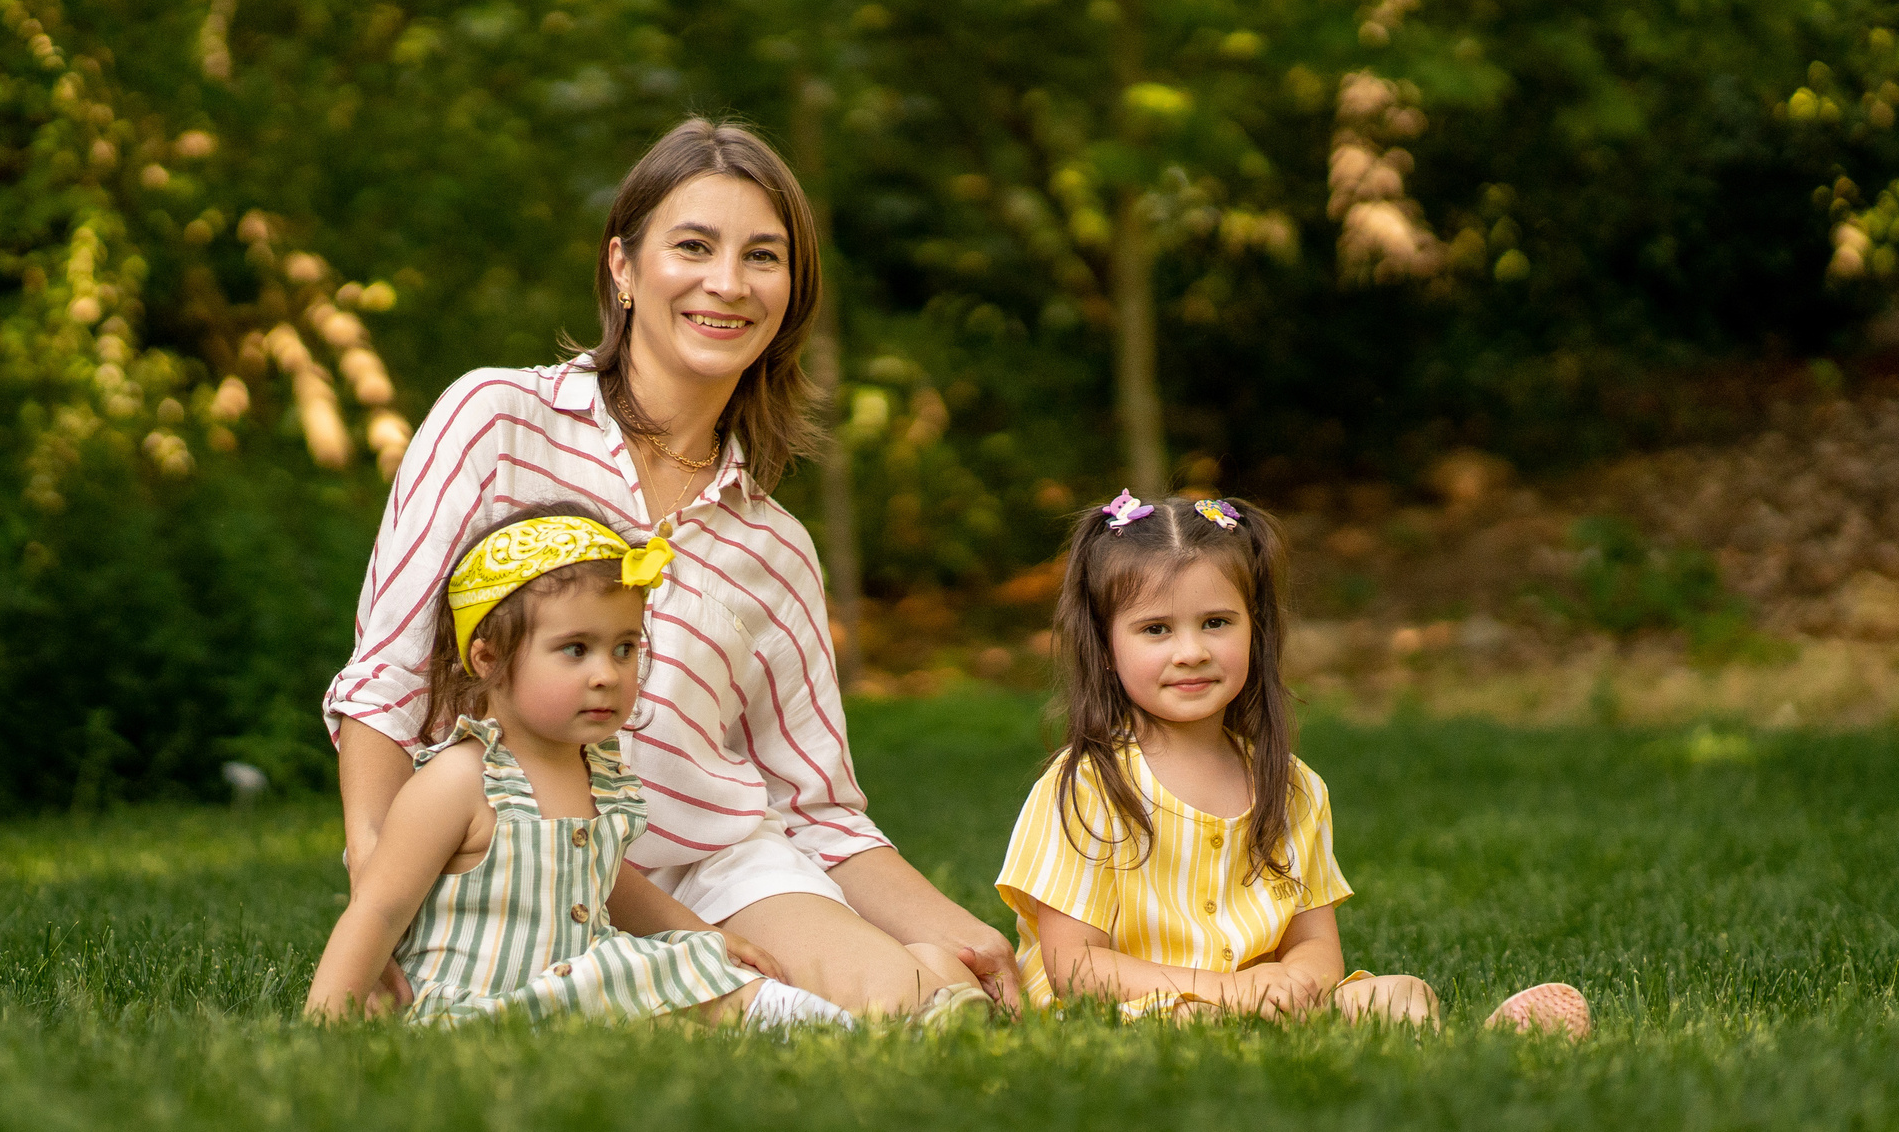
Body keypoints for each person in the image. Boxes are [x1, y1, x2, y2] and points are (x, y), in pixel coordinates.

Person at [325, 118, 1007, 1020]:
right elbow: (386, 680)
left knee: (902, 1000)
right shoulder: (493, 420)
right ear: (623, 265)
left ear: (792, 291)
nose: (728, 282)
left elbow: (820, 810)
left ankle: (921, 971)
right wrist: (379, 887)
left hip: (715, 868)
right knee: (743, 1019)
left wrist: (962, 928)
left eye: (762, 256)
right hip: (511, 856)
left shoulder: (774, 547)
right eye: (694, 246)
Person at [996, 490, 1591, 1035]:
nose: (1192, 651)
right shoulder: (1086, 787)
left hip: (1260, 999)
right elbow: (1077, 968)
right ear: (1105, 646)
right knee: (1190, 1023)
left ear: (1255, 629)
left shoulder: (1292, 787)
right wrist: (1227, 991)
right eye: (1156, 629)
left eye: (1216, 623)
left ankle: (1483, 1045)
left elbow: (1316, 946)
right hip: (1131, 1006)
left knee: (1401, 993)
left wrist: (1293, 983)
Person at [305, 507, 853, 1029]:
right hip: (484, 1003)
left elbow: (609, 883)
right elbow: (378, 911)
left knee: (667, 962)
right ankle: (776, 1017)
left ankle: (786, 1018)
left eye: (624, 649)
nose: (607, 674)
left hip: (579, 985)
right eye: (575, 649)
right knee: (634, 975)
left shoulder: (599, 771)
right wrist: (327, 1019)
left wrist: (702, 933)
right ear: (489, 659)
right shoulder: (459, 780)